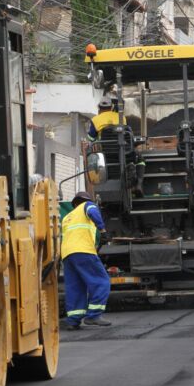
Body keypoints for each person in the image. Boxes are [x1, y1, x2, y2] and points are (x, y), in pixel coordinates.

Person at [60, 192, 112, 330]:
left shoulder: (67, 217)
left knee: (75, 287)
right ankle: (94, 315)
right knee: (102, 281)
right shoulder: (87, 205)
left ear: (74, 203)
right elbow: (93, 212)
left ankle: (73, 319)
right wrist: (103, 230)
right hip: (83, 251)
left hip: (67, 255)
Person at [87, 98, 145, 196]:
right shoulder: (121, 117)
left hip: (106, 154)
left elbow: (91, 138)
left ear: (99, 108)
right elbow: (125, 133)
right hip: (124, 152)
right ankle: (138, 184)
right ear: (111, 107)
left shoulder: (95, 120)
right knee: (140, 159)